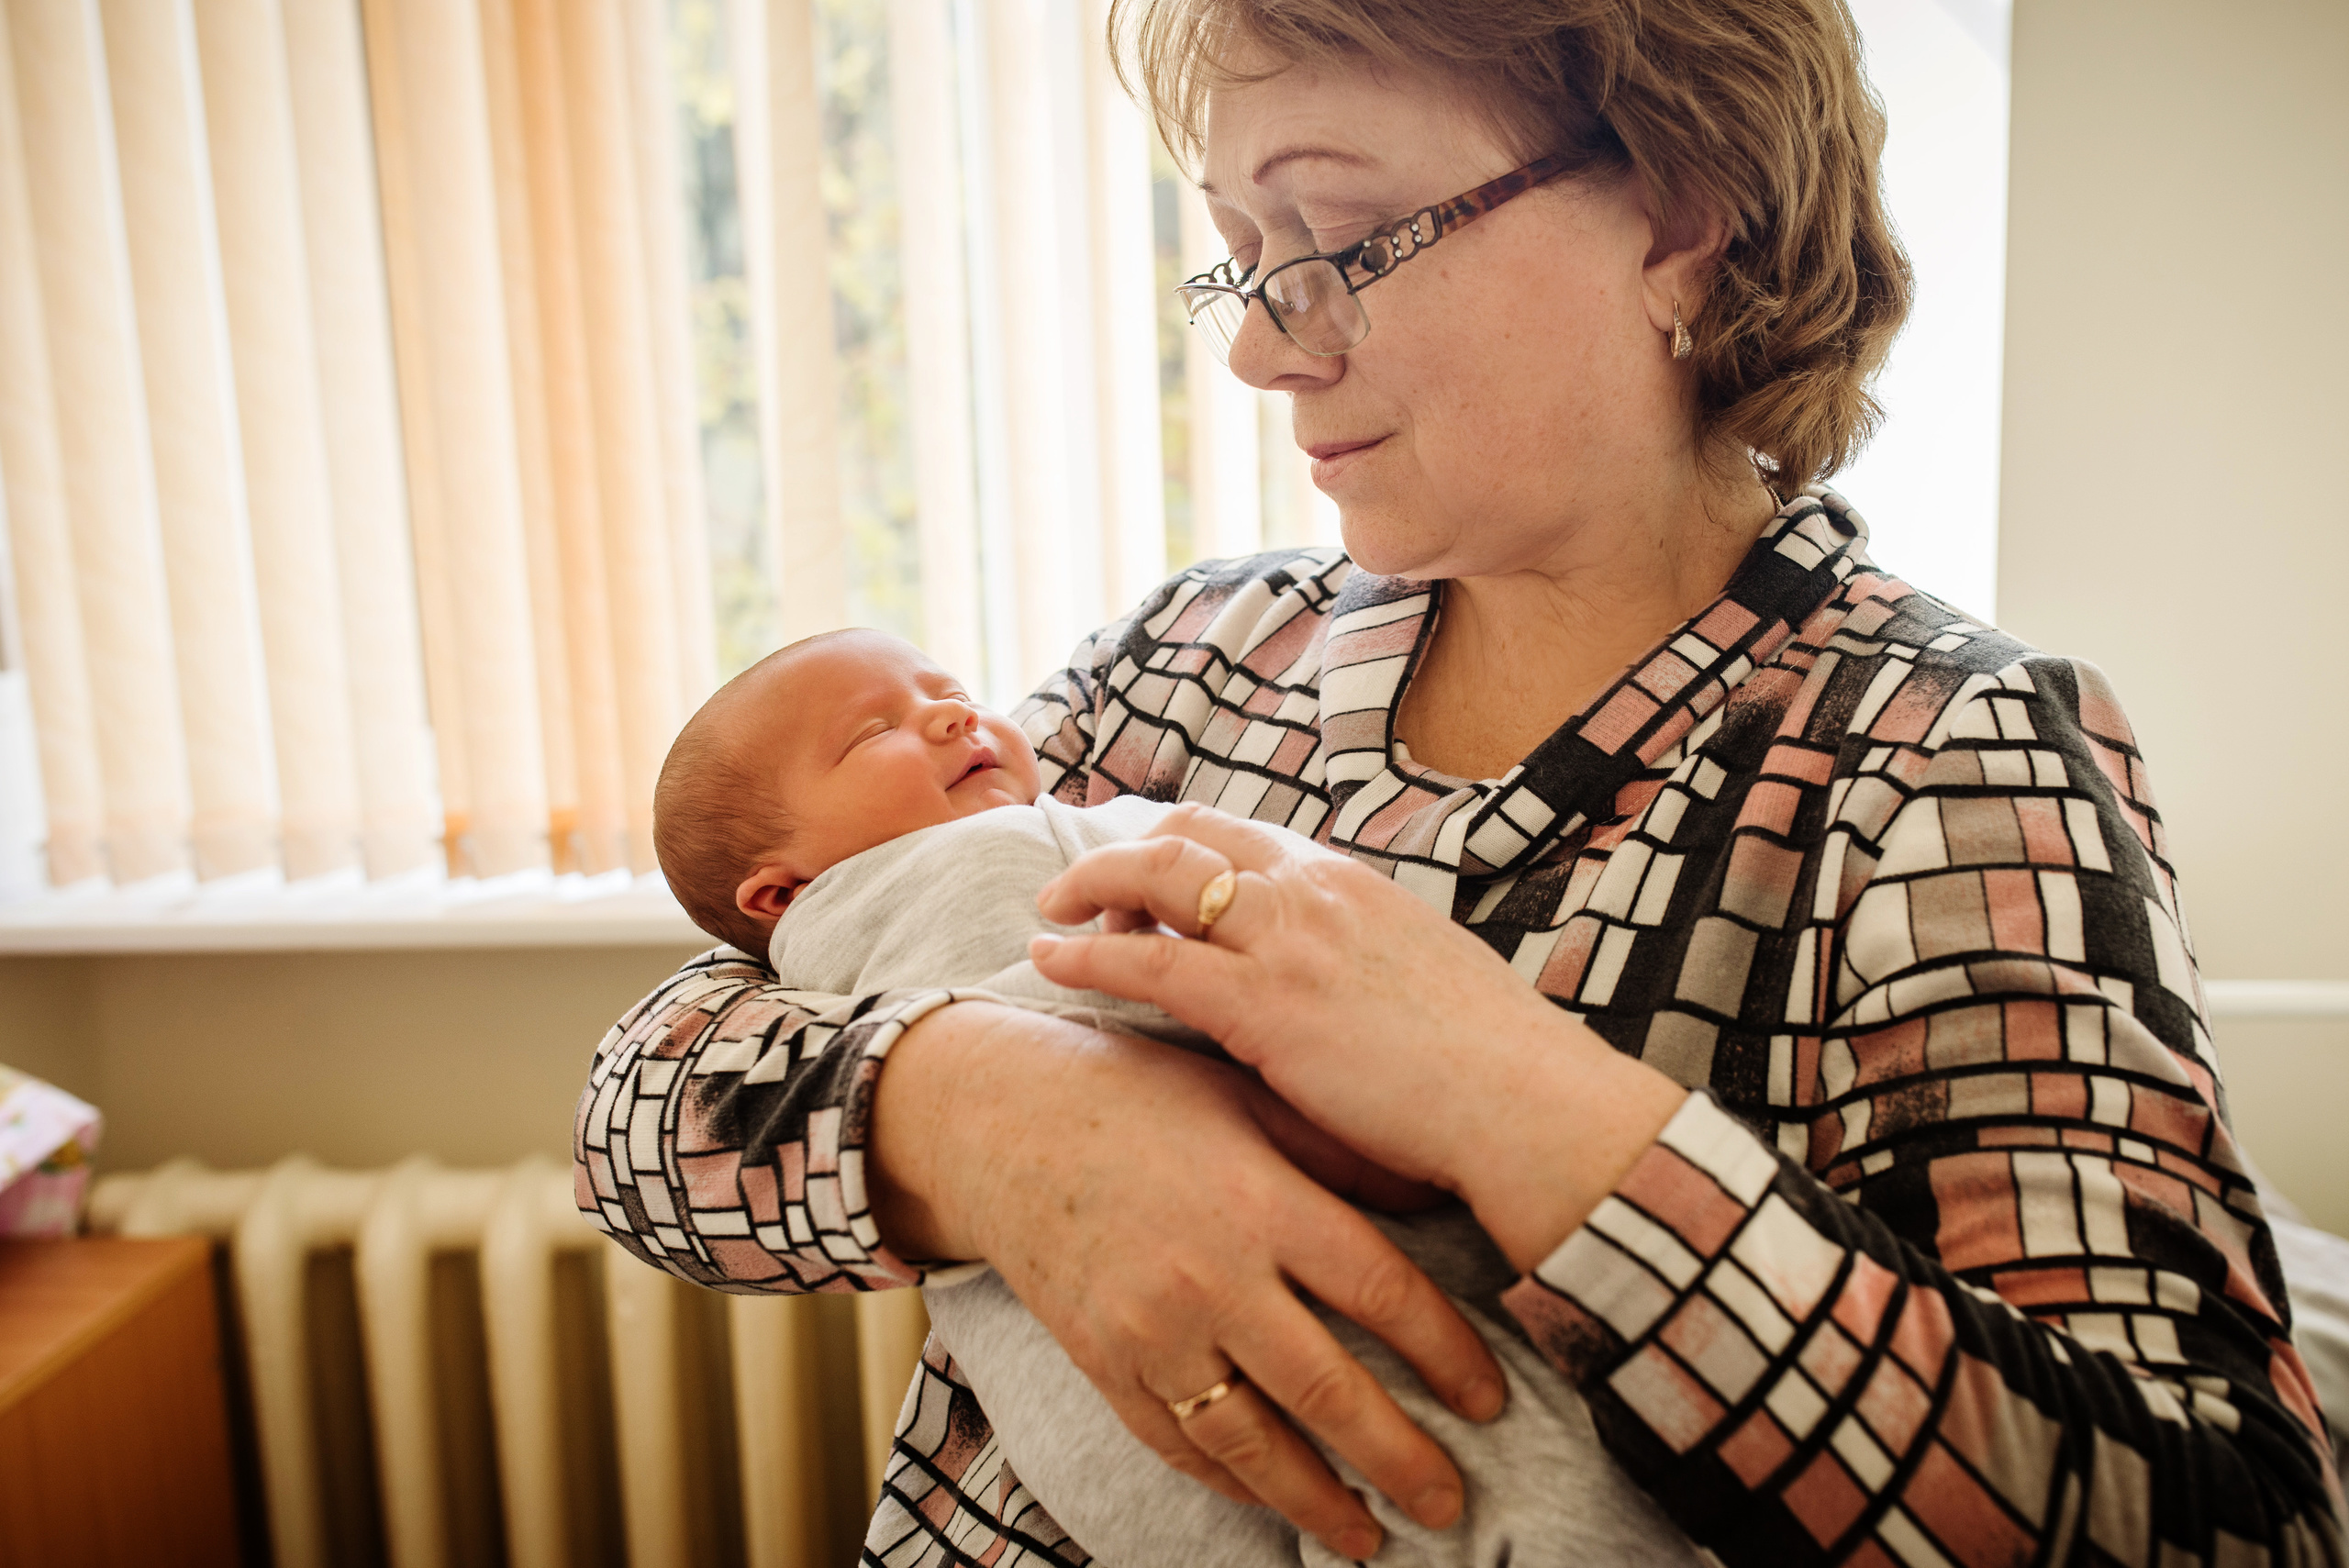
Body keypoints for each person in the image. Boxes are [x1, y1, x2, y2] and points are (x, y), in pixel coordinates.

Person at [575, 0, 2348, 1562]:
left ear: (1679, 215)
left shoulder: (1940, 758)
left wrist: (1519, 1099)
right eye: (1244, 255)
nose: (1266, 345)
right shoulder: (1199, 656)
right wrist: (988, 1119)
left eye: (1342, 235)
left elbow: (2213, 1519)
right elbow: (638, 1104)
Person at [647, 625, 1707, 1565]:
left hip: (1120, 1412)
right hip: (1152, 1360)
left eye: (947, 689)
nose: (951, 713)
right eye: (874, 727)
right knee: (1495, 1482)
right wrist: (978, 1107)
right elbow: (646, 1094)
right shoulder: (946, 866)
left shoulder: (1003, 830)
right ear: (780, 893)